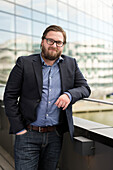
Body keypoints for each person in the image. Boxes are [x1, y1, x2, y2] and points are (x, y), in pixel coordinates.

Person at [4, 25, 91, 170]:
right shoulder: (24, 63)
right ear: (43, 41)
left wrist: (69, 95)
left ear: (63, 45)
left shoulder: (71, 64)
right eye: (50, 41)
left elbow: (85, 88)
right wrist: (19, 129)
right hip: (28, 134)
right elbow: (10, 97)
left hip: (55, 136)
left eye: (59, 42)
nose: (54, 45)